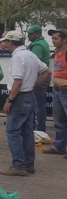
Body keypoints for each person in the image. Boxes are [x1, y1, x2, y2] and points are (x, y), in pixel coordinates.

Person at [0, 30, 51, 176]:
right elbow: (47, 71)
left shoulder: (18, 57)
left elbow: (18, 81)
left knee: (12, 131)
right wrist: (35, 83)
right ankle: (28, 164)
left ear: (10, 42)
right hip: (29, 95)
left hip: (20, 97)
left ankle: (18, 165)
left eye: (5, 41)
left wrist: (9, 99)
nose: (3, 44)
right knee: (27, 131)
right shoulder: (30, 55)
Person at [43, 28, 67, 157]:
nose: (53, 41)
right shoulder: (57, 52)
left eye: (56, 38)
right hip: (57, 91)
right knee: (59, 121)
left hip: (65, 90)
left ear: (65, 39)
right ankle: (59, 147)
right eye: (52, 38)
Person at [26, 25, 51, 132]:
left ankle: (39, 129)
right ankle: (39, 128)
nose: (28, 36)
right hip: (41, 77)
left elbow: (35, 63)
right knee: (39, 104)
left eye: (30, 34)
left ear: (38, 34)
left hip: (39, 78)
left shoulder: (38, 45)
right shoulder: (40, 43)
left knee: (38, 105)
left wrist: (32, 80)